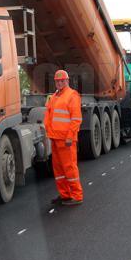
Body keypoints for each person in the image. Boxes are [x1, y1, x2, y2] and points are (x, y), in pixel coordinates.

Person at [44, 70, 84, 206]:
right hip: (55, 137)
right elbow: (49, 115)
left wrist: (70, 137)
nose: (59, 83)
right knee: (59, 169)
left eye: (62, 80)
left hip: (66, 139)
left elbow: (76, 119)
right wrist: (48, 133)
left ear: (67, 81)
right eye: (57, 81)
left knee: (69, 167)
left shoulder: (72, 95)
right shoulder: (54, 96)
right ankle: (65, 195)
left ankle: (77, 195)